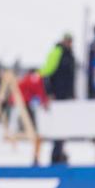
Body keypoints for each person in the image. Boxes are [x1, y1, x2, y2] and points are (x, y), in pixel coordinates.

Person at [40, 33, 76, 164]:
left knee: (64, 124)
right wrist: (49, 92)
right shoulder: (57, 52)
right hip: (58, 95)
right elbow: (46, 73)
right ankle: (56, 155)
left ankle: (60, 152)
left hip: (65, 95)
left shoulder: (69, 54)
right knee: (58, 124)